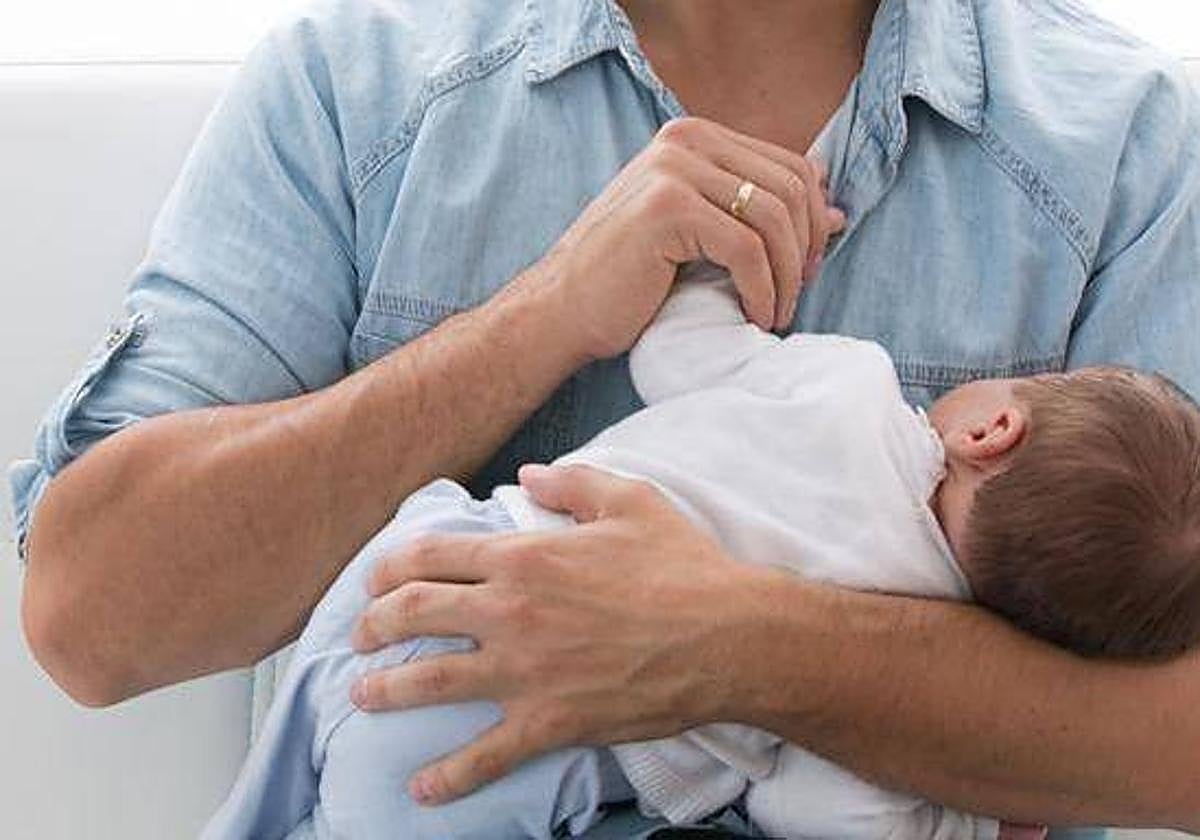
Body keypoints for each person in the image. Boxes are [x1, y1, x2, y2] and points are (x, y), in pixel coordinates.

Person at [10, 0, 1200, 835]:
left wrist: (738, 645)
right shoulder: (351, 88)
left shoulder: (1127, 149)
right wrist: (542, 315)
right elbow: (94, 617)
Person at [202, 264, 1200, 840]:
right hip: (500, 743)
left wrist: (703, 272)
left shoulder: (847, 384)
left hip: (445, 556)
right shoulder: (907, 671)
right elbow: (814, 812)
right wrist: (972, 821)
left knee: (267, 787)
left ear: (991, 429)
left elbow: (679, 351)